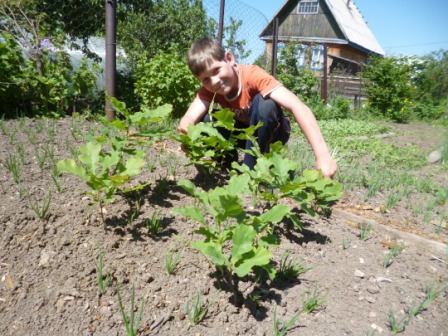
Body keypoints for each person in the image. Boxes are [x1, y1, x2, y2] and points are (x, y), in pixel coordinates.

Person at [177, 38, 337, 179]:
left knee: (265, 104)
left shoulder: (252, 75)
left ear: (229, 58)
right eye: (206, 79)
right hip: (244, 133)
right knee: (206, 120)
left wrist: (322, 155)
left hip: (274, 131)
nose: (214, 81)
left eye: (216, 71)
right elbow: (189, 118)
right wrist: (186, 135)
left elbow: (297, 106)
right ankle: (226, 165)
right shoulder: (211, 88)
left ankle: (253, 169)